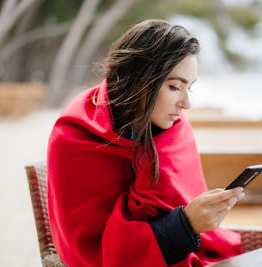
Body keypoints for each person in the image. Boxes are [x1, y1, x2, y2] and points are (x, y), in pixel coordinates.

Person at [47, 19, 245, 267]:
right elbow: (91, 252)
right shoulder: (75, 136)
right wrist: (186, 224)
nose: (186, 104)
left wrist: (200, 217)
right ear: (138, 80)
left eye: (189, 88)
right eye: (175, 87)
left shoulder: (176, 130)